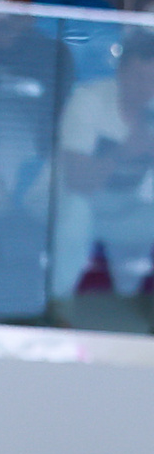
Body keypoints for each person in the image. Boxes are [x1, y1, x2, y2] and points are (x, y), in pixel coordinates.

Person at [52, 33, 154, 314]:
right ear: (121, 72)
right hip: (62, 201)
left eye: (151, 80)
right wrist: (123, 152)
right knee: (77, 211)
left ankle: (132, 307)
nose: (144, 87)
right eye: (138, 77)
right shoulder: (88, 100)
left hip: (125, 207)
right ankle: (57, 307)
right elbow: (76, 181)